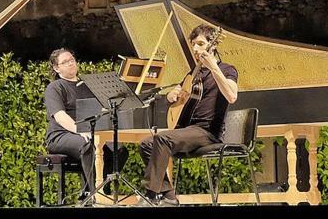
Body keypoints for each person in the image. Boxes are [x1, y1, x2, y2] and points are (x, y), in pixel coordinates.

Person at [137, 23, 238, 207]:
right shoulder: (193, 73)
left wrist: (213, 67)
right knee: (146, 144)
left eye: (200, 43)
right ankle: (169, 195)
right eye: (193, 44)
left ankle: (150, 195)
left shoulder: (227, 70)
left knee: (162, 138)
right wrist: (172, 95)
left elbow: (232, 96)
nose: (195, 48)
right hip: (188, 130)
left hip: (207, 133)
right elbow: (176, 99)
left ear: (212, 44)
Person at [43, 48, 129, 202]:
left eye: (72, 60)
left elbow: (102, 109)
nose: (70, 63)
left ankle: (95, 190)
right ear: (57, 68)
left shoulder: (88, 85)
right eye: (65, 62)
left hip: (91, 132)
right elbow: (60, 116)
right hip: (60, 135)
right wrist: (79, 130)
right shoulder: (55, 87)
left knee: (120, 149)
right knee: (88, 145)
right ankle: (93, 196)